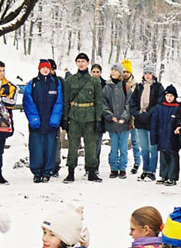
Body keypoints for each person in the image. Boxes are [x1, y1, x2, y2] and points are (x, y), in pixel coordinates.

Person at [62, 53, 104, 183]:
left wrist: (98, 120)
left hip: (90, 116)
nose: (81, 63)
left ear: (87, 63)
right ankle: (70, 172)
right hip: (74, 116)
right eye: (78, 61)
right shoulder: (70, 81)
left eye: (83, 61)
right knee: (73, 145)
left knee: (91, 146)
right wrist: (65, 118)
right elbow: (66, 101)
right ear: (76, 63)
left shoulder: (95, 81)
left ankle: (92, 171)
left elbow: (98, 102)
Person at [24, 59, 64, 183]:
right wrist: (34, 119)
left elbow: (59, 102)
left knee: (50, 148)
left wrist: (55, 119)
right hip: (37, 123)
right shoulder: (33, 83)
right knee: (36, 148)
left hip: (51, 124)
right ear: (39, 69)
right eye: (43, 68)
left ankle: (47, 172)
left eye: (47, 68)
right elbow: (27, 101)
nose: (45, 70)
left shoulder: (55, 83)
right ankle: (37, 172)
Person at [129, 64, 164, 182]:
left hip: (152, 121)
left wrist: (148, 113)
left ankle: (152, 171)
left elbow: (159, 103)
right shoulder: (139, 87)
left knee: (152, 147)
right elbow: (132, 103)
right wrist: (137, 114)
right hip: (140, 121)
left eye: (150, 73)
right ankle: (145, 170)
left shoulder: (158, 87)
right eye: (146, 73)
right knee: (143, 147)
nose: (148, 75)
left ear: (153, 74)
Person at [102, 63, 132, 179]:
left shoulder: (126, 87)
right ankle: (113, 168)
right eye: (112, 70)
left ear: (120, 73)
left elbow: (129, 104)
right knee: (114, 146)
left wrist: (124, 117)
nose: (114, 72)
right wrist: (110, 116)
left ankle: (123, 168)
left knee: (123, 147)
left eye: (116, 70)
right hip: (112, 122)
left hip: (124, 123)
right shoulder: (107, 87)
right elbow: (103, 103)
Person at [150, 85, 181, 186]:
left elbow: (179, 121)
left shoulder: (178, 107)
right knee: (163, 157)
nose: (169, 98)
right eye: (167, 95)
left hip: (173, 138)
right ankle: (163, 175)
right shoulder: (160, 107)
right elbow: (154, 122)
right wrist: (154, 137)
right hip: (162, 136)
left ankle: (172, 177)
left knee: (173, 156)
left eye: (171, 96)